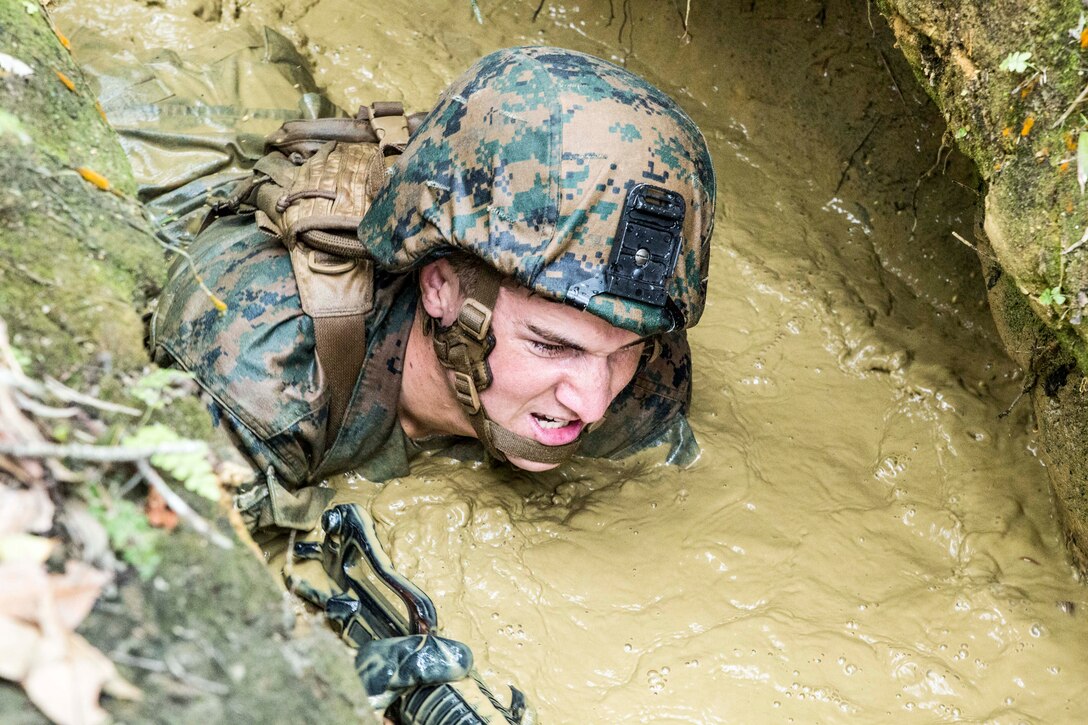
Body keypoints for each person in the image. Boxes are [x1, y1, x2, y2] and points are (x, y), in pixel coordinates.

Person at [151, 45, 716, 534]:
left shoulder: (644, 372)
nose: (593, 402)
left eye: (624, 350)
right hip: (178, 146)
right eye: (551, 345)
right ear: (441, 287)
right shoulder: (263, 369)